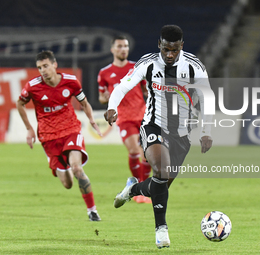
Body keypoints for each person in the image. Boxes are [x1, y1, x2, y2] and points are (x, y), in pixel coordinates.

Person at [104, 25, 213, 248]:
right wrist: (112, 107)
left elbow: (208, 99)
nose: (169, 55)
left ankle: (132, 189)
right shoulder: (148, 63)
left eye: (174, 50)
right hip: (154, 125)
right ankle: (161, 231)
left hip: (182, 134)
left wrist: (206, 132)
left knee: (160, 186)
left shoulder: (194, 66)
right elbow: (122, 87)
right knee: (161, 171)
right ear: (159, 45)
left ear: (182, 46)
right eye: (165, 49)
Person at [17, 50, 102, 221]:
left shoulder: (70, 82)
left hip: (71, 130)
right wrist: (29, 128)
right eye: (40, 67)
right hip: (48, 136)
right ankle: (58, 163)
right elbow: (19, 103)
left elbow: (84, 103)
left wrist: (92, 119)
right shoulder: (33, 86)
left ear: (54, 65)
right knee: (68, 184)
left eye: (46, 66)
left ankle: (92, 210)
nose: (43, 70)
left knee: (77, 168)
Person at [98, 35, 151, 204]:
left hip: (142, 115)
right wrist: (105, 98)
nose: (123, 49)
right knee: (135, 150)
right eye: (120, 46)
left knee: (148, 154)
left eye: (126, 46)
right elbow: (101, 97)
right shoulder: (104, 73)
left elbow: (145, 90)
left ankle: (141, 189)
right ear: (113, 49)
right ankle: (136, 189)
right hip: (125, 118)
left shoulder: (136, 68)